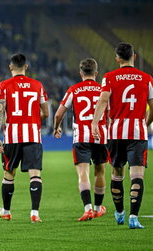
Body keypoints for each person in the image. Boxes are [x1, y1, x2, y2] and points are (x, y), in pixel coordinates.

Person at [92, 42, 153, 229]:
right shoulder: (146, 78)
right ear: (134, 57)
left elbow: (103, 100)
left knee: (117, 173)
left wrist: (95, 122)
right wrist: (147, 123)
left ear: (117, 58)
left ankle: (119, 213)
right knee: (137, 175)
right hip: (137, 132)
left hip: (116, 132)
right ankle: (134, 218)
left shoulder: (109, 77)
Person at [0, 53, 48, 223]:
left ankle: (7, 211)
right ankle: (34, 213)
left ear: (10, 67)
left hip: (12, 136)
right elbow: (45, 113)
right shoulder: (37, 85)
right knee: (35, 175)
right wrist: (31, 120)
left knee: (9, 174)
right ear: (26, 67)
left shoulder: (4, 85)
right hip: (33, 135)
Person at [54, 58, 108, 221]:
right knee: (100, 171)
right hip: (100, 135)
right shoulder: (103, 90)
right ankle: (98, 209)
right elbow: (110, 113)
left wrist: (57, 127)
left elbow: (58, 113)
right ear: (96, 73)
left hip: (81, 137)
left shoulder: (74, 89)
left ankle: (87, 209)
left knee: (83, 172)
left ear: (80, 73)